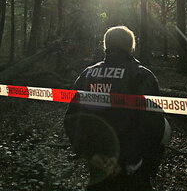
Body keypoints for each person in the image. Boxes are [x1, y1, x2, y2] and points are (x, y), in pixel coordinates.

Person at [64, 26, 169, 191]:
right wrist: (125, 161)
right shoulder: (141, 75)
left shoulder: (87, 74)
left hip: (98, 164)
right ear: (130, 47)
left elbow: (72, 119)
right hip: (130, 169)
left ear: (106, 46)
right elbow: (152, 125)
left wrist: (91, 154)